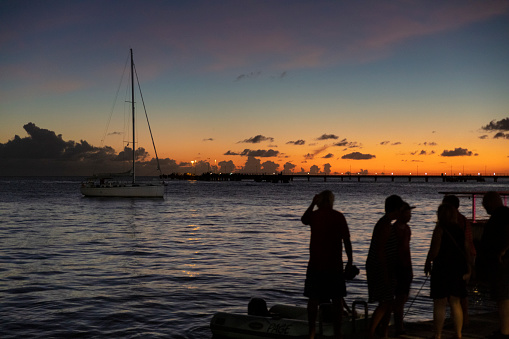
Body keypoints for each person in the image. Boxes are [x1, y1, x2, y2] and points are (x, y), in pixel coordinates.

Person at [301, 190, 353, 339]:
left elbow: (304, 220)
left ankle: (312, 331)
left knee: (314, 298)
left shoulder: (315, 216)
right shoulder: (338, 216)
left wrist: (312, 204)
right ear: (331, 201)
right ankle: (337, 331)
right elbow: (347, 241)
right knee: (337, 299)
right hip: (334, 264)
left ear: (319, 201)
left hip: (316, 264)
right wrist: (350, 261)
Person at [425, 203, 471, 339]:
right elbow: (467, 250)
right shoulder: (460, 230)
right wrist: (469, 268)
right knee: (455, 302)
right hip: (458, 269)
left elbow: (434, 250)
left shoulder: (440, 229)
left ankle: (438, 334)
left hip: (442, 269)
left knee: (440, 302)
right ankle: (458, 334)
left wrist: (428, 262)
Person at [366, 194, 404, 339]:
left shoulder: (385, 223)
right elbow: (380, 251)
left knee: (388, 301)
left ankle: (383, 332)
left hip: (383, 266)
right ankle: (371, 332)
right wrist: (386, 272)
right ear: (396, 209)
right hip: (381, 267)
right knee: (385, 302)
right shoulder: (385, 225)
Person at [442, 194, 476, 326]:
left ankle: (458, 319)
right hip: (468, 255)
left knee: (455, 291)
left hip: (459, 257)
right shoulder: (464, 220)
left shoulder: (453, 221)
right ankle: (463, 318)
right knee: (462, 290)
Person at [480, 191, 509, 338]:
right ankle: (504, 328)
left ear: (491, 203)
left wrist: (503, 250)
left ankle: (504, 331)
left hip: (502, 264)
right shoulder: (503, 214)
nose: (485, 208)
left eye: (485, 205)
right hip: (500, 262)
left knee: (503, 297)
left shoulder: (501, 216)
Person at [393, 202, 415, 336]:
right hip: (398, 266)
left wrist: (411, 269)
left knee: (404, 297)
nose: (410, 216)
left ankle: (398, 323)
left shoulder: (407, 229)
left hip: (406, 266)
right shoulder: (395, 229)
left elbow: (407, 250)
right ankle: (398, 326)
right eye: (407, 213)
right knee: (400, 297)